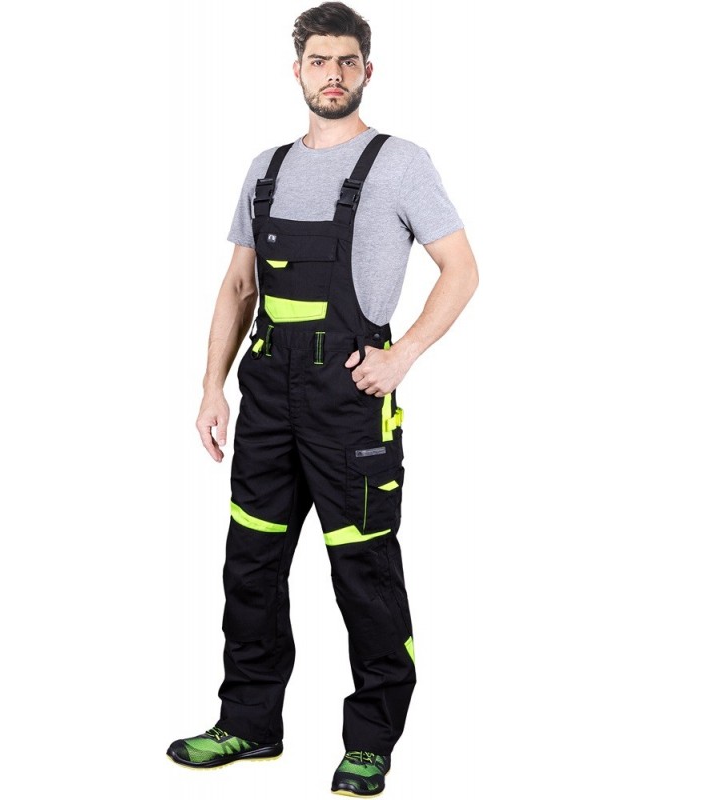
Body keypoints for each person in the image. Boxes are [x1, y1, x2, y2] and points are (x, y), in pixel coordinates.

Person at [167, 2, 478, 796]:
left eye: (346, 61)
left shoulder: (400, 163)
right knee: (252, 561)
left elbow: (462, 269)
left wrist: (402, 356)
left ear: (367, 70)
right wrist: (211, 386)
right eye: (318, 60)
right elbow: (239, 286)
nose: (332, 74)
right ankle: (248, 723)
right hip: (267, 394)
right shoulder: (265, 167)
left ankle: (371, 740)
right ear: (297, 70)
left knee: (363, 567)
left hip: (348, 397)